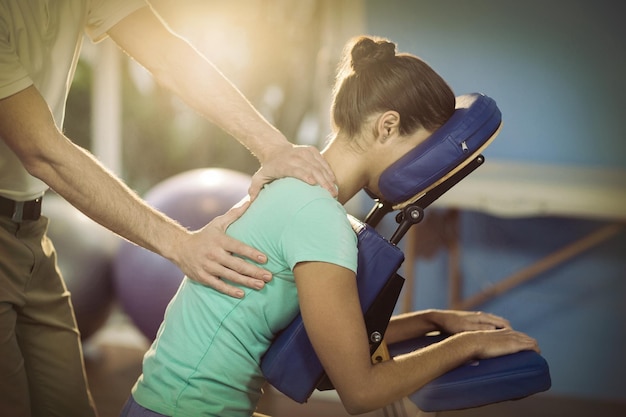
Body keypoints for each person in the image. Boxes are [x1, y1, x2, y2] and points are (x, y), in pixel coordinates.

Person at [121, 35, 540, 417]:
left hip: (163, 403)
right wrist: (470, 345)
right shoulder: (319, 219)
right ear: (387, 126)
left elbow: (333, 338)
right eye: (424, 149)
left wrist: (435, 320)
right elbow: (361, 390)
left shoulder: (294, 191)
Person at [0, 1, 337, 416]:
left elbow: (169, 56)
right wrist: (181, 245)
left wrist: (275, 148)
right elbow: (42, 150)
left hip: (31, 228)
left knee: (68, 403)